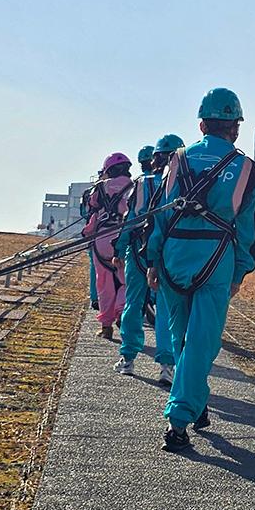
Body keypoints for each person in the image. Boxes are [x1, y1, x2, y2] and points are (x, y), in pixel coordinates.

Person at [147, 89, 255, 451]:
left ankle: (197, 405)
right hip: (216, 260)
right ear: (236, 128)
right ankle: (178, 420)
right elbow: (248, 230)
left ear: (201, 124)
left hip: (174, 256)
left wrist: (153, 259)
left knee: (182, 337)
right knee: (202, 341)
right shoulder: (246, 168)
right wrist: (239, 272)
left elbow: (161, 213)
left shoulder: (177, 161)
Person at [113, 139, 182, 383]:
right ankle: (166, 366)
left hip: (138, 249)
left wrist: (119, 249)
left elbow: (129, 219)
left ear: (155, 158)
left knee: (133, 302)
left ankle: (128, 359)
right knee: (166, 309)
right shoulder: (181, 183)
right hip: (167, 254)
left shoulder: (141, 183)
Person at [83, 153, 133, 339]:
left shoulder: (100, 187)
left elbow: (92, 208)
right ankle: (121, 313)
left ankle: (106, 326)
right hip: (124, 238)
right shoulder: (135, 186)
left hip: (101, 239)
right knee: (124, 281)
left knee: (104, 283)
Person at [79, 177, 101, 311]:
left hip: (93, 233)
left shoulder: (90, 191)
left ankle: (95, 297)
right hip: (115, 231)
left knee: (94, 266)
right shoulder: (126, 186)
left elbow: (83, 213)